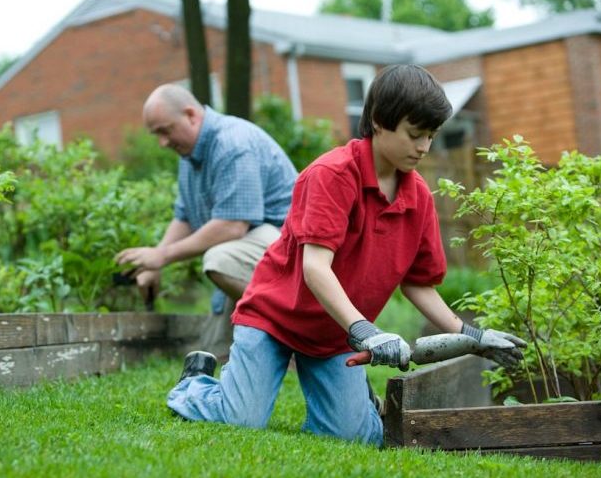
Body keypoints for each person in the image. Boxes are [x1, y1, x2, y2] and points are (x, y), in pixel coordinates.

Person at [166, 65, 527, 446]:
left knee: (354, 437)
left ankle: (356, 405)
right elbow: (315, 268)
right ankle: (196, 384)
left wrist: (474, 336)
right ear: (378, 122)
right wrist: (367, 332)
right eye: (414, 134)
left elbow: (418, 285)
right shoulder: (331, 175)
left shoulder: (418, 197)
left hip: (336, 334)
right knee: (240, 420)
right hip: (274, 319)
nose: (424, 147)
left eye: (431, 136)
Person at [115, 84, 298, 358]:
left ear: (191, 115)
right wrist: (153, 263)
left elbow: (232, 226)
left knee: (220, 259)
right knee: (213, 353)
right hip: (251, 252)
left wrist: (163, 255)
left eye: (165, 131)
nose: (162, 143)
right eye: (156, 135)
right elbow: (185, 216)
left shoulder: (232, 144)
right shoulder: (189, 155)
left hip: (290, 252)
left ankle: (297, 337)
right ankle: (267, 347)